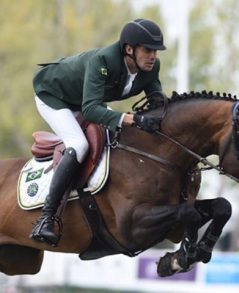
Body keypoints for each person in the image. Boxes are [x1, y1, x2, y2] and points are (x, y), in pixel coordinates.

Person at [30, 19, 166, 246]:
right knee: (79, 144)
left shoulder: (151, 68)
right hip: (53, 96)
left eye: (155, 51)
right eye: (148, 50)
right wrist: (133, 119)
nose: (153, 56)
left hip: (84, 99)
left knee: (118, 136)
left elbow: (157, 101)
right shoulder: (102, 61)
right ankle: (46, 218)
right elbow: (91, 109)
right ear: (129, 49)